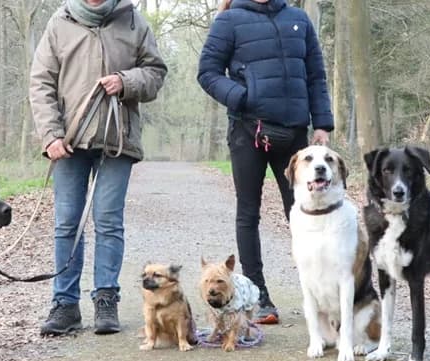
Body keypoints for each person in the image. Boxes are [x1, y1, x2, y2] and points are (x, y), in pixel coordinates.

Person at [29, 0, 167, 336]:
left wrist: (126, 81)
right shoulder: (60, 22)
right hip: (69, 141)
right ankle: (65, 304)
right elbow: (41, 82)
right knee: (66, 224)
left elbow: (156, 72)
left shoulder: (133, 21)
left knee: (108, 221)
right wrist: (50, 136)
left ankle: (106, 299)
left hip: (117, 139)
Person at [197, 0, 334, 324]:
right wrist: (241, 96)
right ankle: (259, 298)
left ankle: (324, 297)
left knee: (306, 212)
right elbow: (207, 72)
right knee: (248, 212)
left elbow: (315, 75)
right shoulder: (229, 20)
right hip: (248, 132)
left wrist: (323, 123)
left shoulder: (298, 19)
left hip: (294, 135)